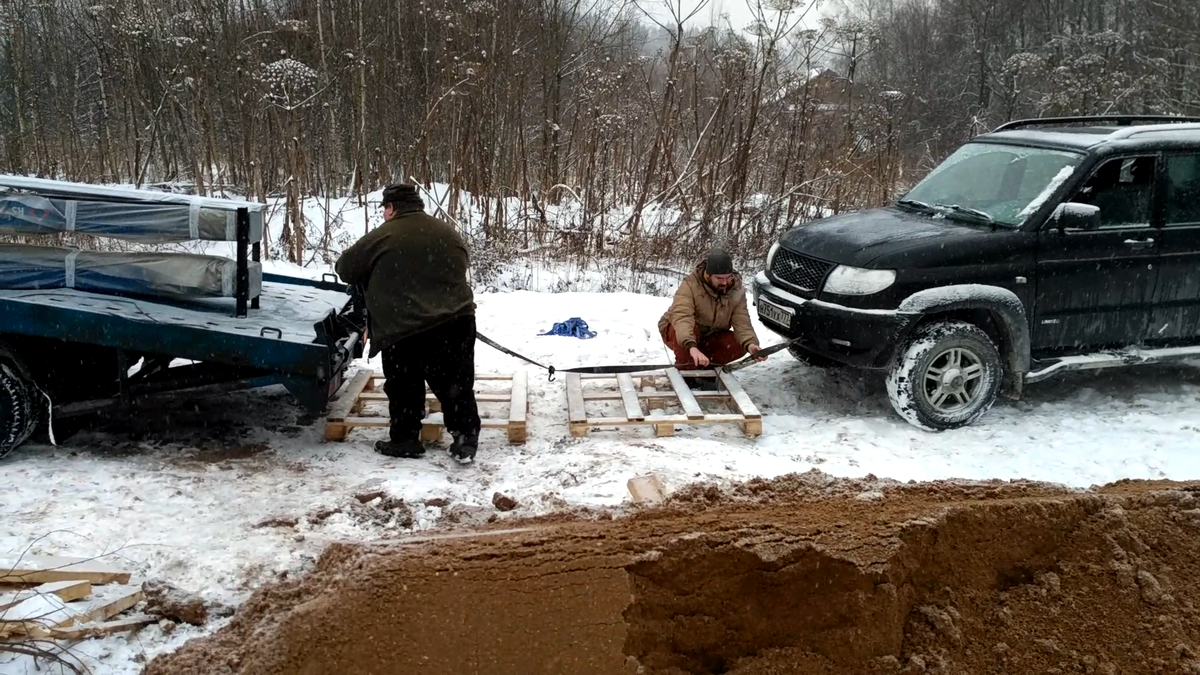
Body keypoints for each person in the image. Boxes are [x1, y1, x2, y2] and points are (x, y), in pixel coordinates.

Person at [334, 183, 481, 463]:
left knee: (404, 385)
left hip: (404, 329)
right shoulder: (446, 231)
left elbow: (345, 269)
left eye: (384, 209)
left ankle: (405, 440)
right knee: (456, 384)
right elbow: (460, 264)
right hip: (456, 322)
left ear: (390, 209)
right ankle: (465, 440)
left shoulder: (383, 235)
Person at [658, 248, 766, 370]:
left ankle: (707, 368)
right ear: (708, 276)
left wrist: (750, 344)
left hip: (711, 335)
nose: (725, 282)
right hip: (680, 331)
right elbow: (682, 317)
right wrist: (691, 346)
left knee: (738, 344)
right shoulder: (690, 285)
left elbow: (742, 322)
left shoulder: (736, 290)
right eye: (719, 278)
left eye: (728, 277)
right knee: (688, 333)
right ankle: (687, 373)